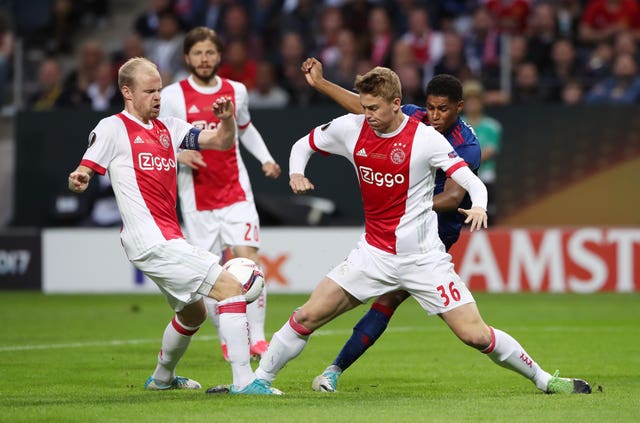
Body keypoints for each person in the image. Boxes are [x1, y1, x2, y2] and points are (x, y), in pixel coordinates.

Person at [251, 66, 591, 396]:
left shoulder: (427, 139)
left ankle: (546, 380)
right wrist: (296, 171)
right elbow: (304, 144)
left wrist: (480, 205)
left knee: (475, 335)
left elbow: (468, 182)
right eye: (364, 106)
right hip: (373, 254)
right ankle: (258, 381)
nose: (366, 114)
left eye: (373, 107)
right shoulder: (352, 127)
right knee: (308, 314)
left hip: (425, 258)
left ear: (396, 104)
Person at [67, 57, 281, 395]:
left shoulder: (170, 127)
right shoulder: (113, 128)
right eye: (149, 91)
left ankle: (162, 379)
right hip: (151, 240)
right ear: (126, 92)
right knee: (230, 287)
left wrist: (226, 121)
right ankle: (245, 382)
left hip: (166, 237)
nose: (157, 97)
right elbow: (87, 164)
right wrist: (81, 175)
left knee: (193, 313)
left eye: (159, 90)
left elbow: (221, 142)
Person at [299, 57, 480, 391]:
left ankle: (334, 369)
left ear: (459, 108)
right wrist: (321, 83)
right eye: (430, 108)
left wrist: (404, 206)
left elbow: (454, 197)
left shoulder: (467, 146)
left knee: (389, 299)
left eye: (443, 110)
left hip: (436, 232)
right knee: (387, 299)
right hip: (399, 227)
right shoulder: (414, 117)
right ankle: (332, 371)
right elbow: (363, 106)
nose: (435, 116)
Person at [160, 27, 281, 362]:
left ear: (219, 56)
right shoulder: (172, 96)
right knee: (212, 274)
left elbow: (245, 128)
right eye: (197, 53)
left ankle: (257, 339)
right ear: (187, 58)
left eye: (210, 52)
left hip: (236, 192)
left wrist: (267, 158)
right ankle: (228, 339)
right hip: (197, 199)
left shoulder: (235, 91)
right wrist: (178, 154)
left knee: (249, 263)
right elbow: (157, 136)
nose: (204, 59)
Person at [462, 79, 502, 224]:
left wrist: (466, 161)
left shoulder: (492, 126)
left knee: (486, 216)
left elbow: (489, 151)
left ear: (481, 101)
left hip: (485, 177)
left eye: (475, 100)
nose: (472, 104)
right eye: (469, 100)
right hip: (462, 180)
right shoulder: (457, 125)